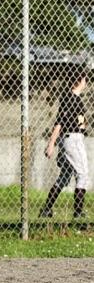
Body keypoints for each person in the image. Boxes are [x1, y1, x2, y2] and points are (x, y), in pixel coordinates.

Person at [39, 68, 89, 219]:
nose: (86, 82)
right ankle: (78, 212)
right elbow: (59, 122)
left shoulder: (74, 98)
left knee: (65, 176)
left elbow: (78, 121)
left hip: (70, 140)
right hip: (72, 140)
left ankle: (47, 209)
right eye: (84, 79)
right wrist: (51, 143)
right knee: (83, 174)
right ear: (79, 81)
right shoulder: (70, 97)